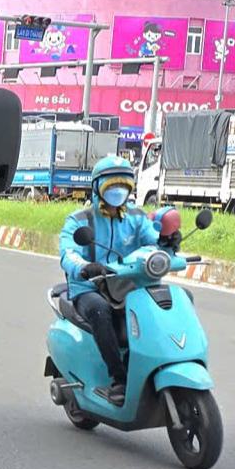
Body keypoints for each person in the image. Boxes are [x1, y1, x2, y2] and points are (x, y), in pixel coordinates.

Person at [57, 156, 160, 407]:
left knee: (168, 302)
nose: (118, 191)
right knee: (101, 311)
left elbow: (154, 242)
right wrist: (84, 268)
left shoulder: (136, 217)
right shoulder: (80, 220)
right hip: (90, 288)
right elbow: (68, 253)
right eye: (112, 186)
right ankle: (119, 379)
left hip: (128, 285)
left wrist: (169, 242)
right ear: (97, 188)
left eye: (123, 186)